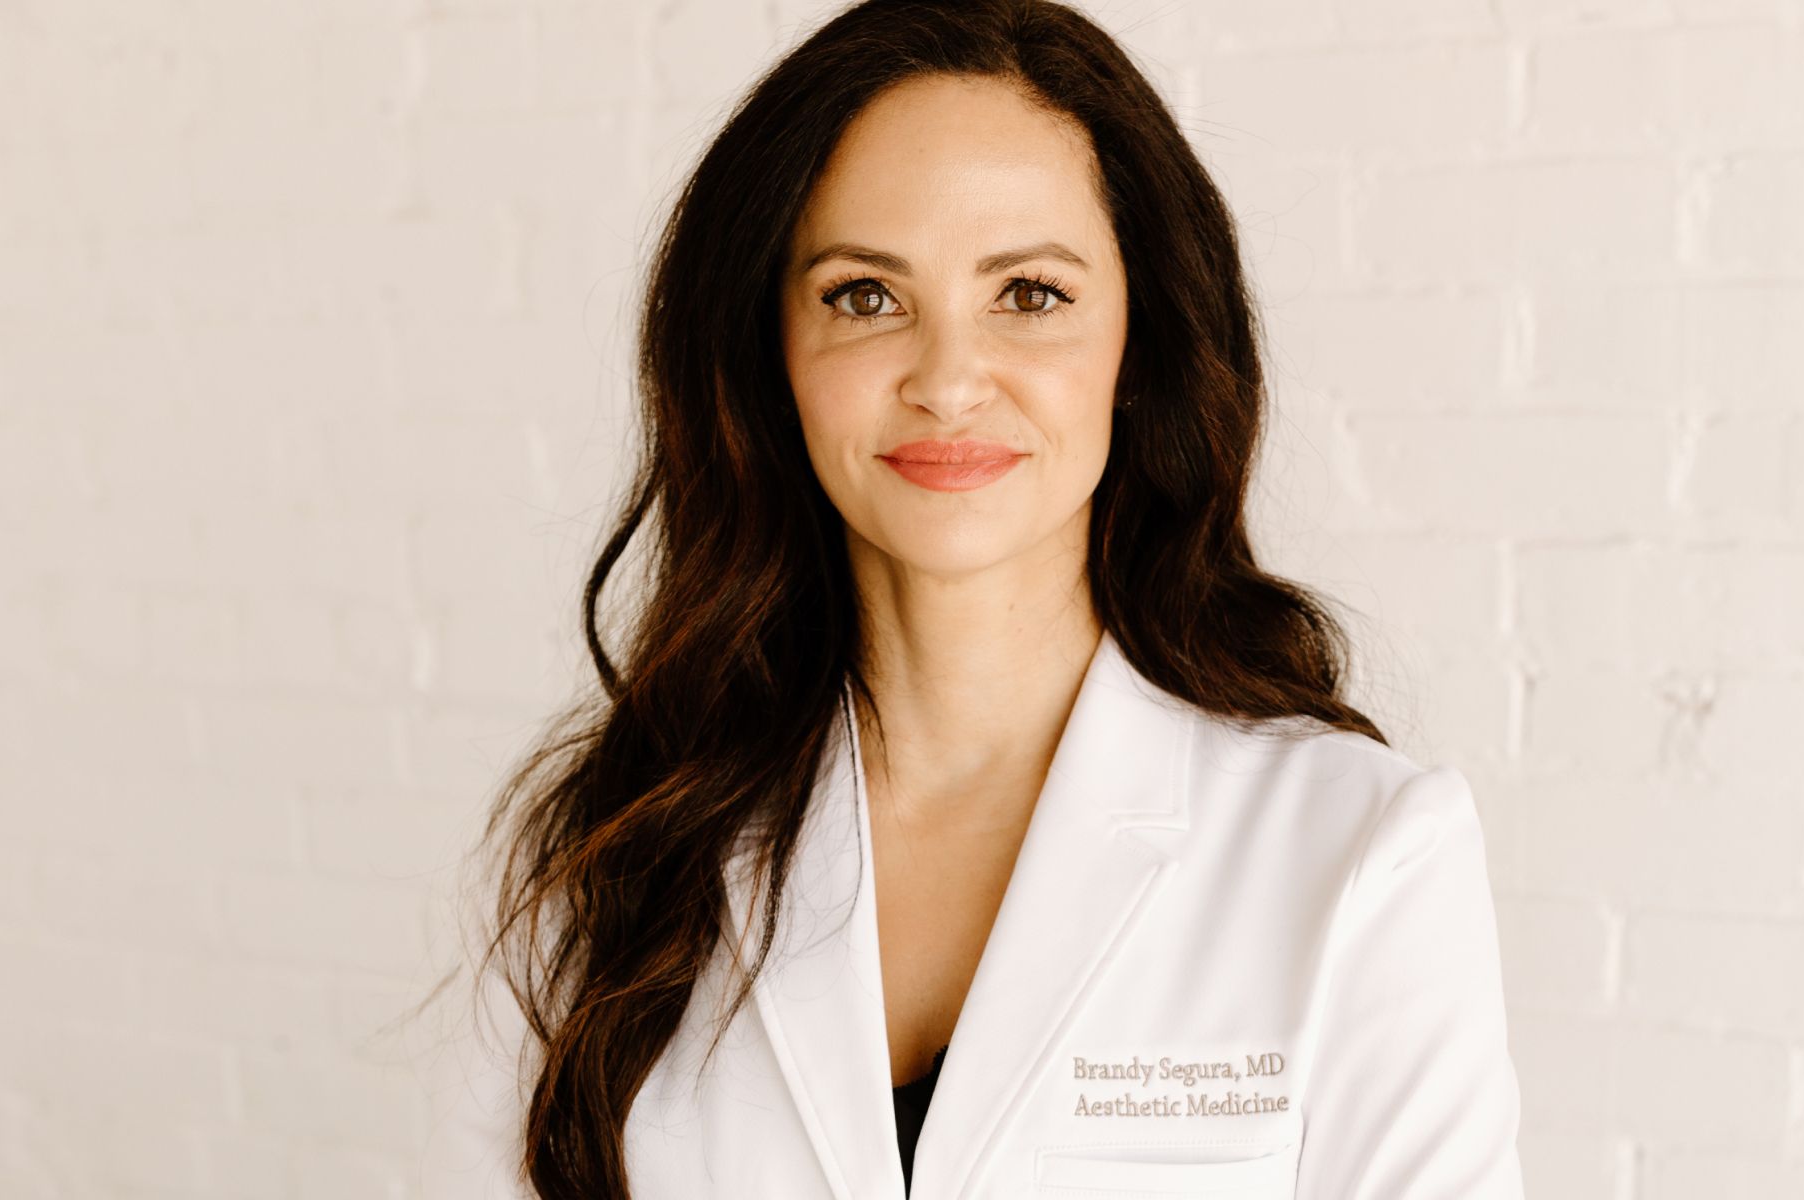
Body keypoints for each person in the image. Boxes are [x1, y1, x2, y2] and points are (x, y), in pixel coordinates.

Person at [419, 1, 1524, 1196]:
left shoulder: (1360, 855)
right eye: (862, 295)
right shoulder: (617, 846)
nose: (947, 381)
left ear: (1138, 346)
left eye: (1031, 294)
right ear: (767, 353)